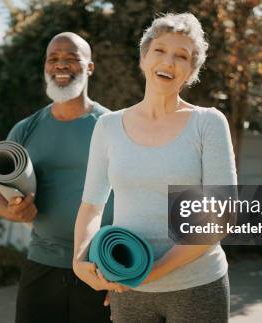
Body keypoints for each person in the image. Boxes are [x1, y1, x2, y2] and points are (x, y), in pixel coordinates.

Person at [73, 13, 237, 322]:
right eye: (160, 50)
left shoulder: (208, 123)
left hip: (197, 288)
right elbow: (92, 206)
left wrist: (148, 274)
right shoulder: (107, 126)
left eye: (182, 56)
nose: (169, 61)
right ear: (144, 58)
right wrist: (79, 260)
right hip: (129, 291)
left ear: (191, 71)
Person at [0, 32, 113, 323]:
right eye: (53, 59)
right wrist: (11, 211)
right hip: (42, 262)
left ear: (90, 67)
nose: (60, 65)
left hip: (99, 265)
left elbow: (135, 197)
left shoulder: (112, 126)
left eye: (71, 58)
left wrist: (122, 270)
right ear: (45, 67)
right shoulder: (26, 129)